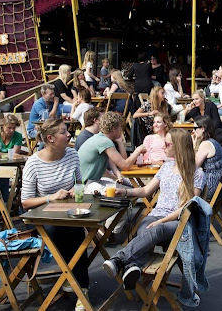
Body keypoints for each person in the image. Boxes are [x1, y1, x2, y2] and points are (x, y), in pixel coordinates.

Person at [103, 129, 205, 290]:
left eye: (167, 144)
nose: (163, 147)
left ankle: (119, 259)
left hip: (178, 221)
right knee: (144, 227)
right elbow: (145, 191)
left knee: (155, 229)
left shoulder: (197, 173)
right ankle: (133, 267)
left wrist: (162, 220)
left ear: (178, 147)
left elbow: (188, 207)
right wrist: (125, 192)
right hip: (156, 215)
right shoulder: (166, 167)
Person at [21, 118, 89, 300]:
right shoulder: (33, 164)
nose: (69, 135)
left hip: (68, 213)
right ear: (50, 138)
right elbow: (25, 203)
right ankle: (80, 287)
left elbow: (79, 183)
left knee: (77, 233)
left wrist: (75, 189)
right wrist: (51, 197)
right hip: (42, 220)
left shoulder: (72, 154)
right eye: (64, 132)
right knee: (68, 234)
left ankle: (75, 281)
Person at [79, 111, 146, 184]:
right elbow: (125, 165)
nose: (121, 131)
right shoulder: (104, 142)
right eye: (120, 128)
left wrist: (120, 142)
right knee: (130, 189)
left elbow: (123, 161)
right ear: (114, 128)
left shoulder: (99, 138)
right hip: (86, 185)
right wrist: (138, 150)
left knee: (131, 186)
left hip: (87, 182)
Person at [192, 116, 222, 201]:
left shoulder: (206, 144)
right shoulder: (214, 142)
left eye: (195, 128)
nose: (193, 131)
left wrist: (193, 146)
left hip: (210, 186)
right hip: (220, 185)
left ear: (202, 129)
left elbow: (194, 166)